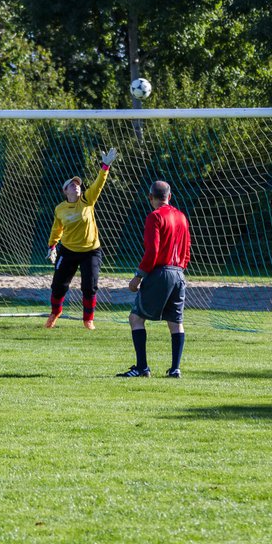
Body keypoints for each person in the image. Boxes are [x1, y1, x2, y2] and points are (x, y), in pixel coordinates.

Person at [120, 180, 191, 378]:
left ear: (151, 197)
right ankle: (175, 368)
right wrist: (179, 269)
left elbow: (152, 252)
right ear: (170, 196)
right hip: (179, 273)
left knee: (135, 318)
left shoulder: (154, 217)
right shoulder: (182, 217)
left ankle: (142, 368)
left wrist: (138, 277)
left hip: (161, 273)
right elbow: (187, 251)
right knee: (176, 322)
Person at [45, 146, 118, 329]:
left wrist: (105, 167)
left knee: (89, 286)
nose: (76, 186)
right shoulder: (60, 209)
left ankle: (88, 320)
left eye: (78, 184)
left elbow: (98, 184)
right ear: (65, 191)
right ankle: (55, 313)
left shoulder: (87, 200)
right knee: (58, 285)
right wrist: (52, 246)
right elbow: (57, 228)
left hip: (91, 251)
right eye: (72, 184)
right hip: (67, 250)